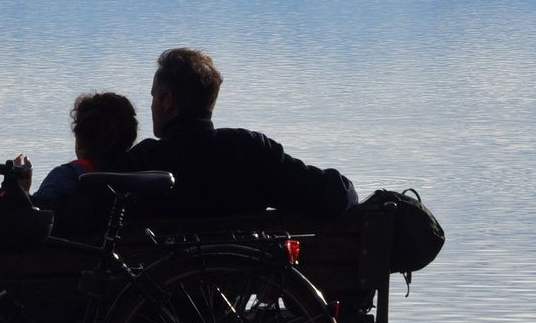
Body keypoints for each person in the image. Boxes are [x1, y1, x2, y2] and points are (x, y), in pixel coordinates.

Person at [118, 47, 358, 221]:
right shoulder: (249, 150)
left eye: (153, 96)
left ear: (168, 101)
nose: (150, 106)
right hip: (234, 285)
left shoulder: (143, 162)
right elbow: (336, 196)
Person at [23, 91, 139, 237]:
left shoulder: (65, 176)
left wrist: (22, 193)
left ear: (79, 140)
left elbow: (33, 220)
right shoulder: (136, 181)